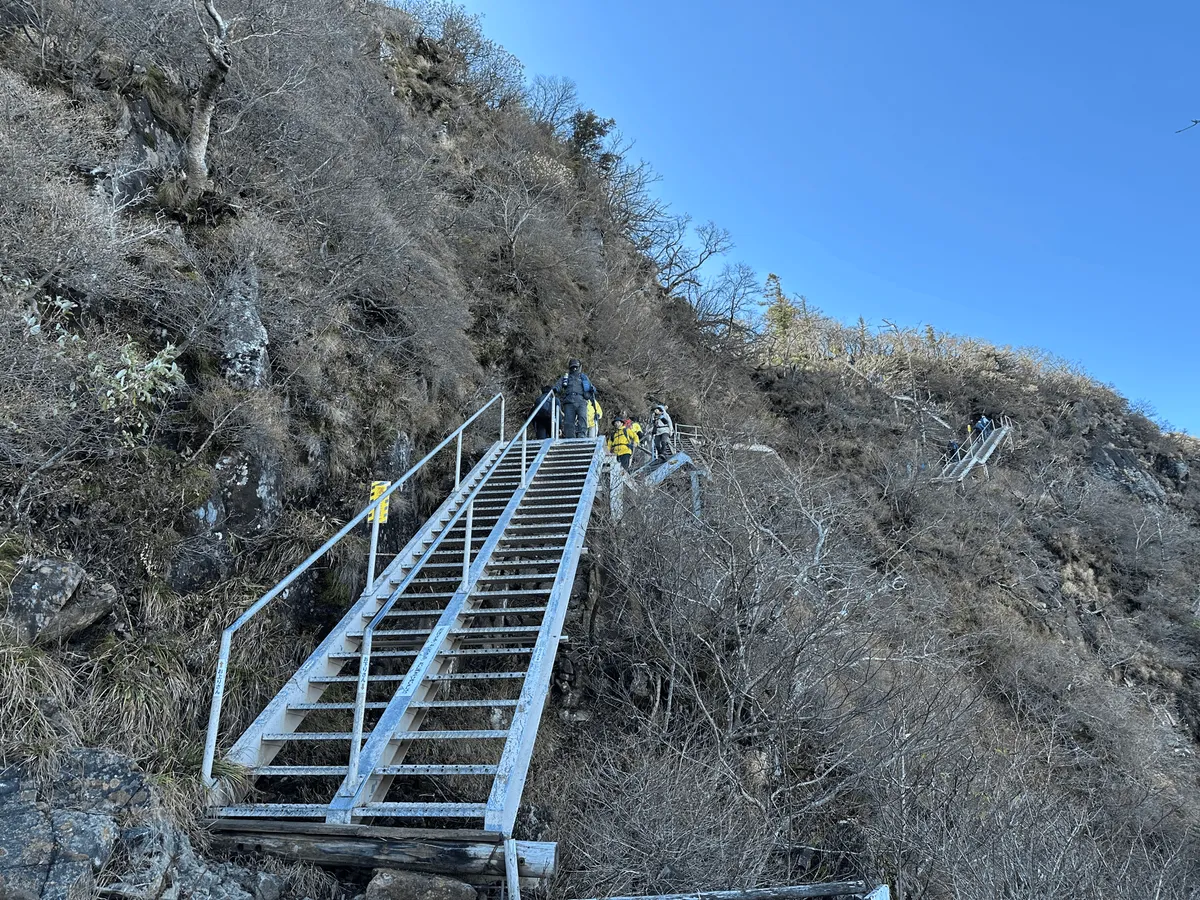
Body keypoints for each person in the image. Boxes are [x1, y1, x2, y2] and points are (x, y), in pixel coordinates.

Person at [555, 358, 597, 439]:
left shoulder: (583, 377)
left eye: (576, 367)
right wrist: (555, 389)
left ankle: (582, 436)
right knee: (569, 421)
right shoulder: (565, 377)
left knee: (582, 418)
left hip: (581, 400)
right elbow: (558, 384)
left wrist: (593, 389)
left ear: (579, 367)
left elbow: (591, 387)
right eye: (572, 367)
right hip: (569, 401)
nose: (574, 369)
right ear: (570, 368)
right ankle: (570, 438)